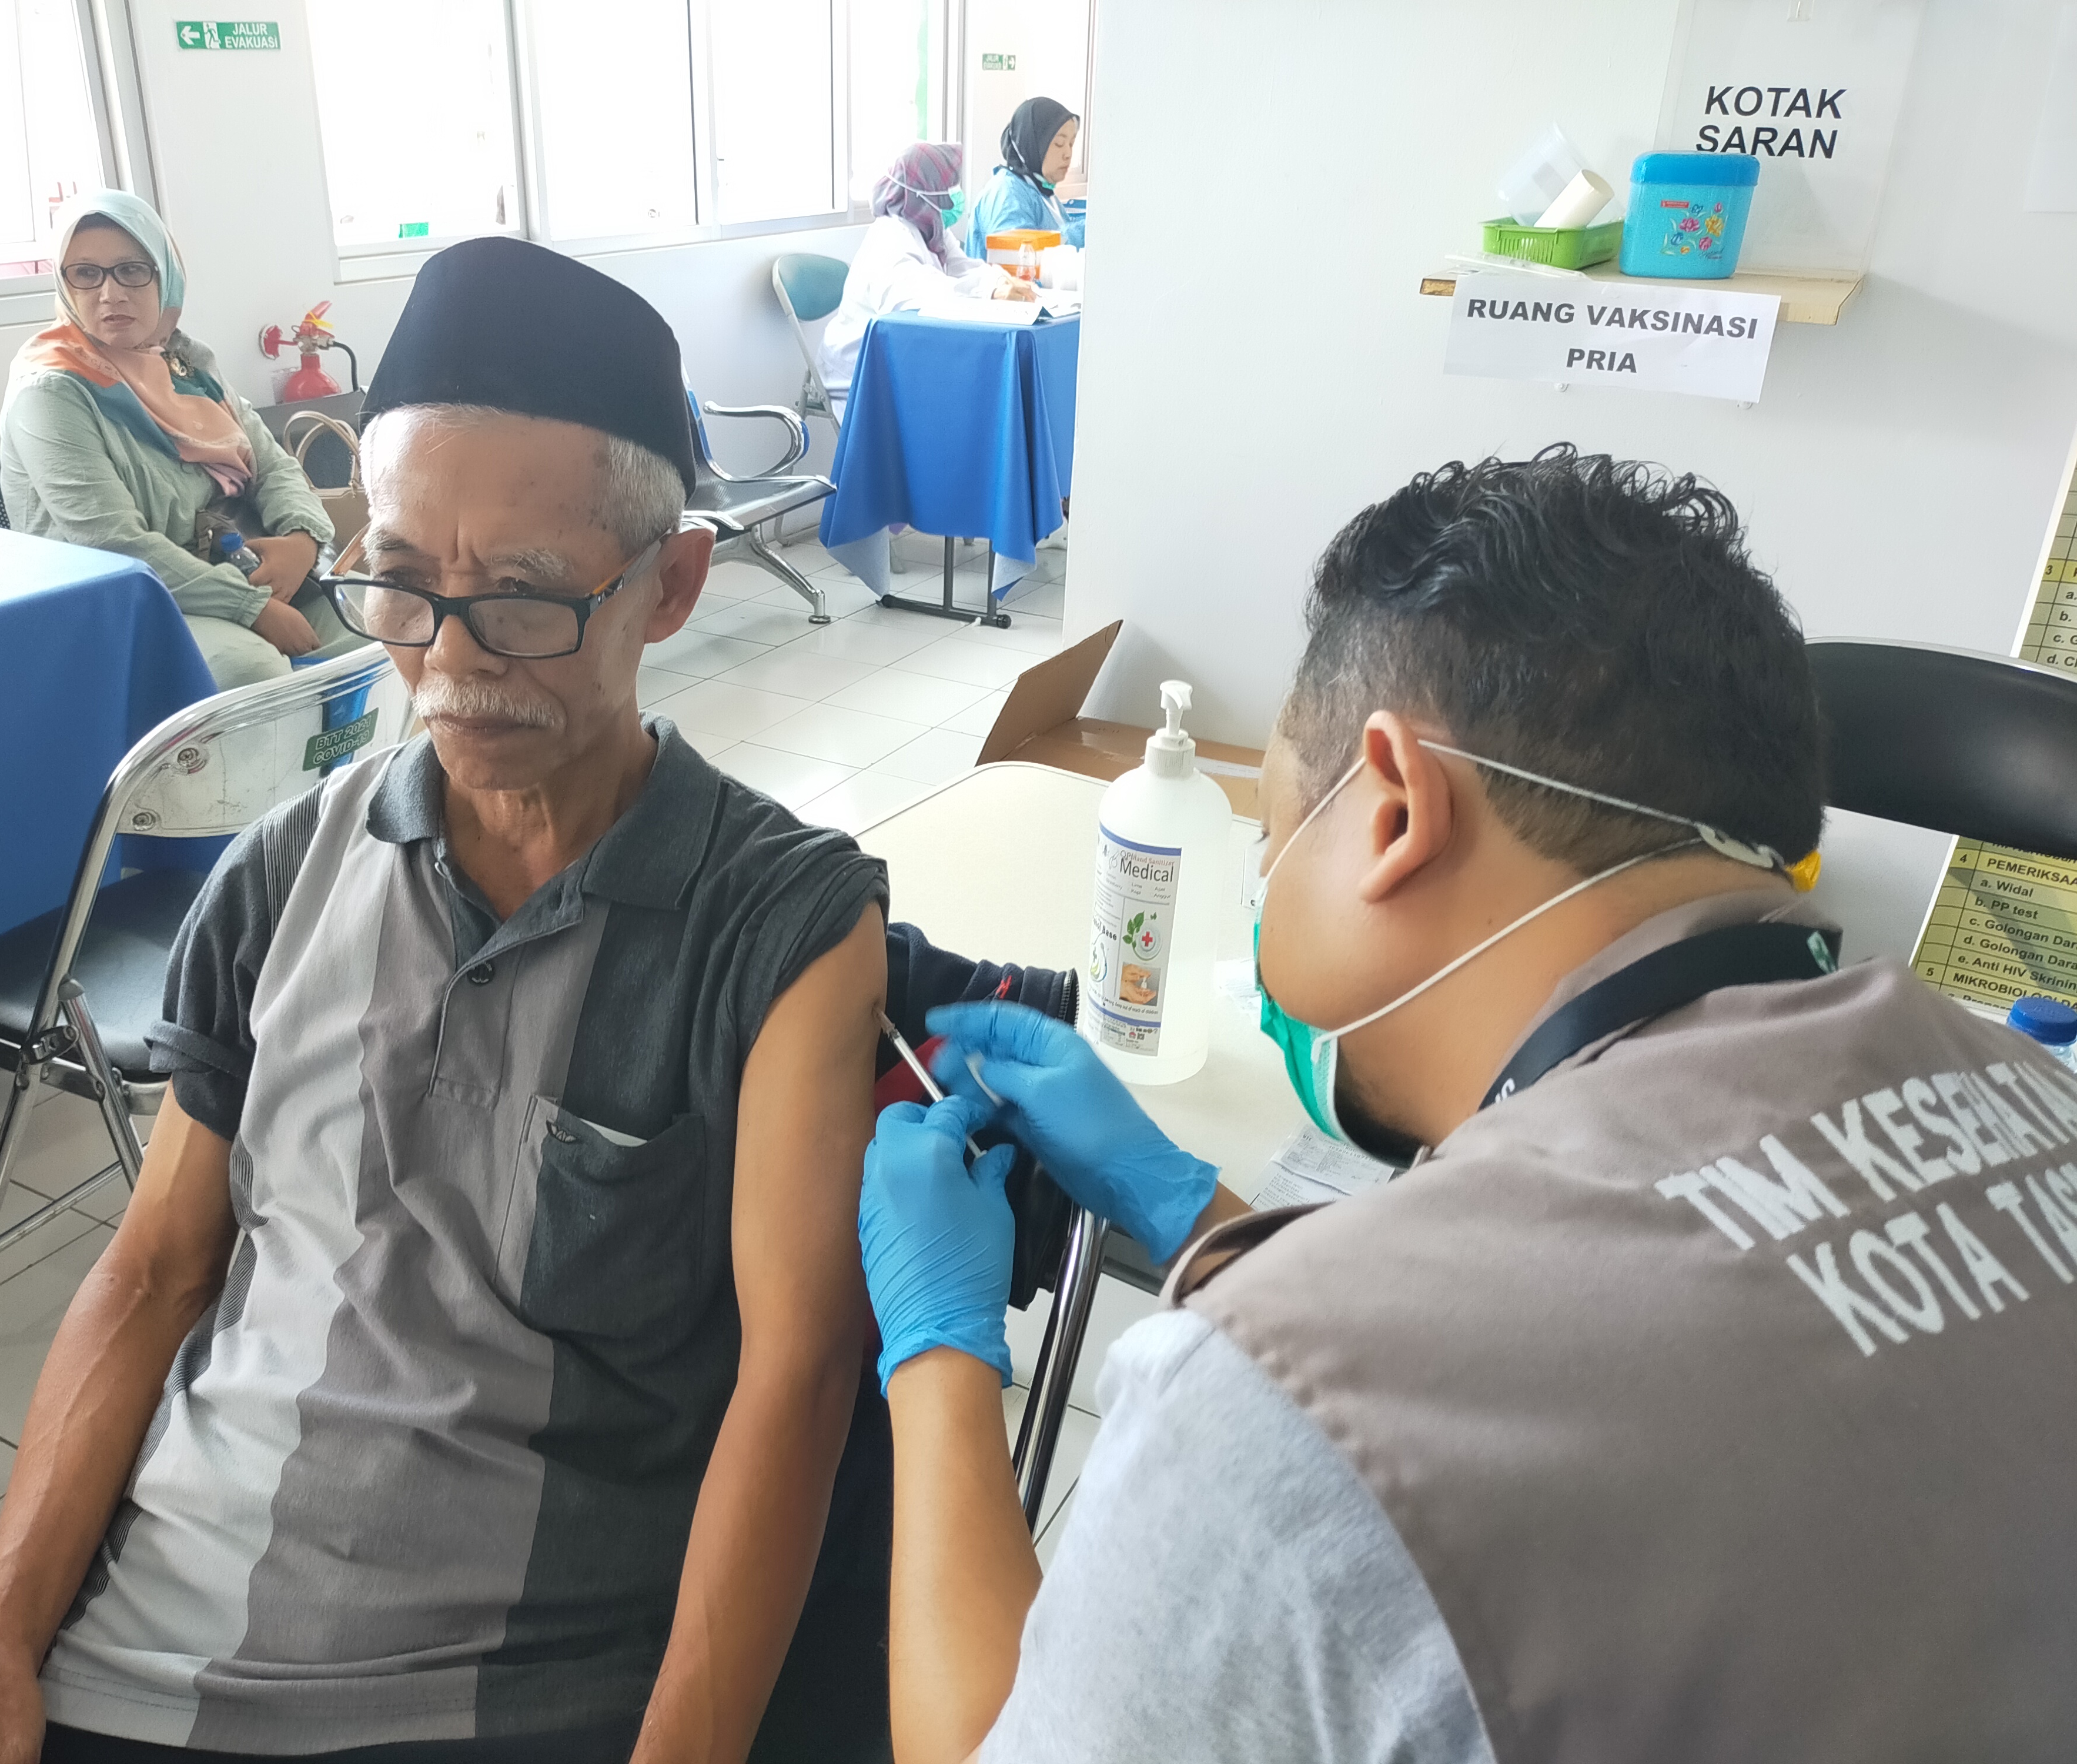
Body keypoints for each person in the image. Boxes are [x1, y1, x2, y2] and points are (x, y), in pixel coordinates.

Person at [858, 447, 2077, 1762]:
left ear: (1390, 808)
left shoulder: (1274, 1413)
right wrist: (1193, 1213)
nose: (1266, 891)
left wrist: (937, 1352)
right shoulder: (2024, 1082)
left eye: (1271, 837)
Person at [0, 238, 889, 1763]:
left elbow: (795, 1377)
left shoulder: (777, 928)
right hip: (158, 1649)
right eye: (406, 588)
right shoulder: (284, 874)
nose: (451, 666)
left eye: (533, 601)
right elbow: (158, 1272)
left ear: (673, 585)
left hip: (509, 1691)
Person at [1, 190, 356, 693]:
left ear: (165, 274)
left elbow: (273, 465)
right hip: (122, 604)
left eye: (132, 270)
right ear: (65, 283)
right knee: (250, 673)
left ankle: (337, 772)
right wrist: (248, 606)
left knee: (379, 626)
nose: (110, 293)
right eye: (85, 273)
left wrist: (302, 540)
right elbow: (114, 544)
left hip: (232, 572)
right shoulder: (51, 393)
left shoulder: (186, 366)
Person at [820, 142, 1036, 396]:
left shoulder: (932, 230)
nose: (955, 194)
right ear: (921, 191)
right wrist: (990, 291)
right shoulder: (890, 236)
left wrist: (1001, 281)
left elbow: (964, 267)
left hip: (900, 361)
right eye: (947, 186)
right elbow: (918, 297)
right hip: (857, 373)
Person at [965, 99, 1085, 259]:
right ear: (1032, 144)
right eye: (1059, 143)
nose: (1068, 154)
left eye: (1071, 144)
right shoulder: (1006, 193)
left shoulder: (1042, 192)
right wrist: (1083, 232)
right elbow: (1019, 261)